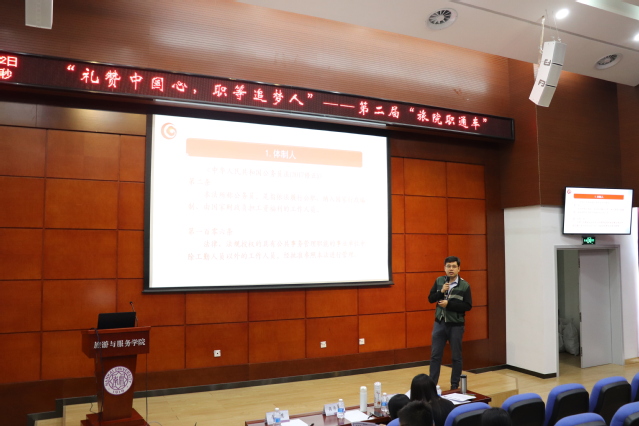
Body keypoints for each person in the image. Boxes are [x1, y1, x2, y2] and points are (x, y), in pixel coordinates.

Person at [428, 256, 472, 390]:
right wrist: (441, 291)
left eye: (454, 266)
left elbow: (467, 306)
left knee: (456, 357)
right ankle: (431, 385)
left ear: (459, 268)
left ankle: (454, 385)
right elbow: (431, 299)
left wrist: (449, 304)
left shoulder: (465, 285)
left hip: (456, 325)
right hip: (439, 323)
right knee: (435, 356)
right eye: (448, 266)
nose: (451, 269)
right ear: (444, 268)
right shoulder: (439, 281)